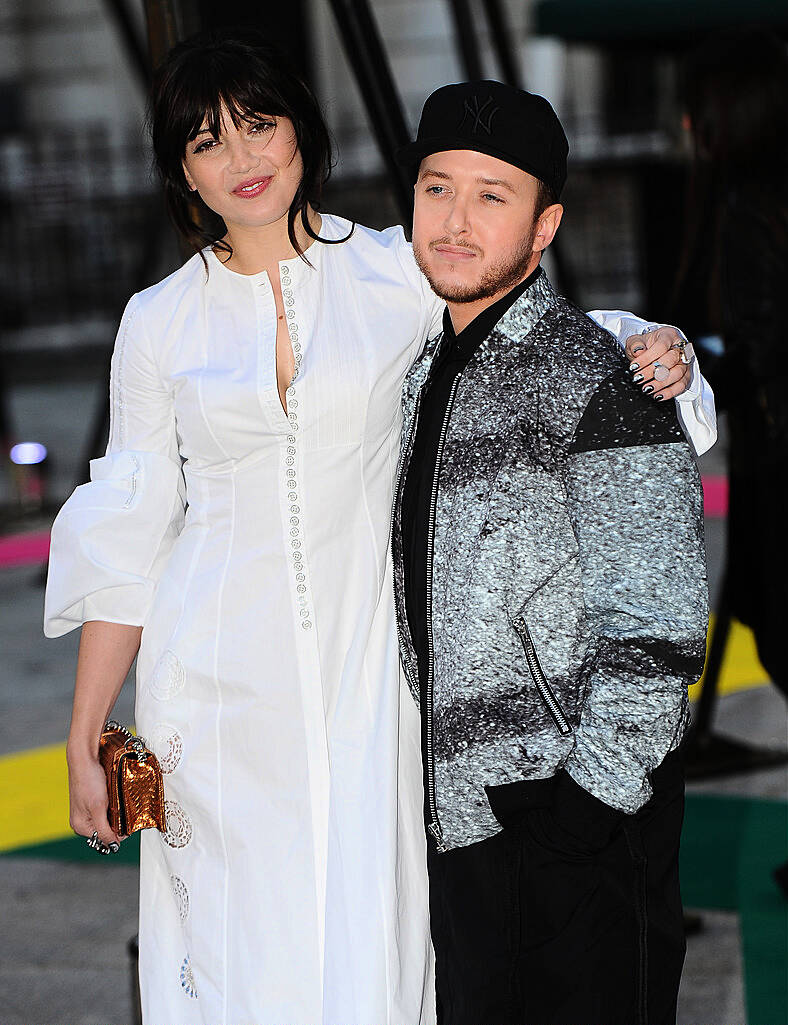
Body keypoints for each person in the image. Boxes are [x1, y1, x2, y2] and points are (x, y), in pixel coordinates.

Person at [44, 32, 713, 1025]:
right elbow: (129, 524)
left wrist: (661, 351)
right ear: (180, 171)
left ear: (302, 135)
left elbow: (526, 321)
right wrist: (85, 728)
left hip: (368, 686)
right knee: (233, 949)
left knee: (370, 947)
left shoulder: (387, 270)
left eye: (258, 124)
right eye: (206, 141)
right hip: (213, 685)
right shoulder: (157, 319)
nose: (241, 157)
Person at [392, 82, 710, 1025]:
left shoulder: (597, 378)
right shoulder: (418, 369)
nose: (456, 221)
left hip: (578, 825)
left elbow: (658, 630)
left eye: (493, 196)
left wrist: (585, 810)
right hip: (461, 819)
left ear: (545, 226)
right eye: (438, 188)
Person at [673, 30, 788, 700]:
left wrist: (691, 371)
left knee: (773, 619)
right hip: (769, 443)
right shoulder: (759, 198)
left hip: (775, 449)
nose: (687, 128)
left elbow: (759, 341)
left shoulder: (748, 206)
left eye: (696, 111)